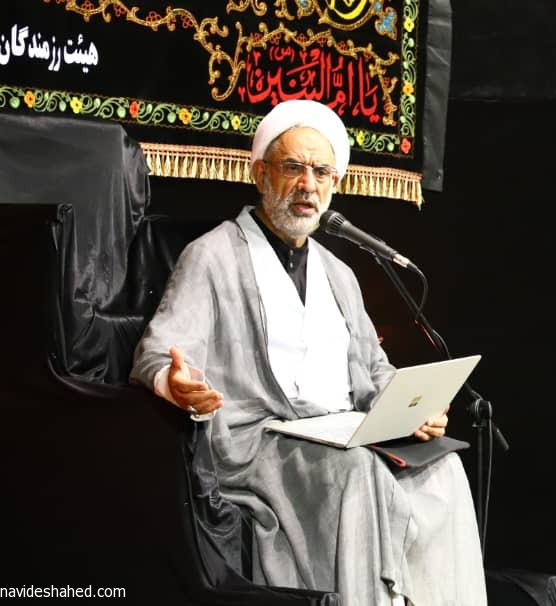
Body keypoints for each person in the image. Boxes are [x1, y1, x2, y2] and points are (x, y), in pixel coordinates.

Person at [130, 99, 487, 606]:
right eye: (293, 167)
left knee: (443, 470)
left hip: (344, 431)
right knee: (359, 469)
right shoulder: (212, 255)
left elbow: (374, 372)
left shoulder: (339, 273)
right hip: (260, 444)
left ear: (334, 184)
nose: (308, 185)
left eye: (321, 173)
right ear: (260, 174)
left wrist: (412, 409)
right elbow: (156, 353)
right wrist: (176, 384)